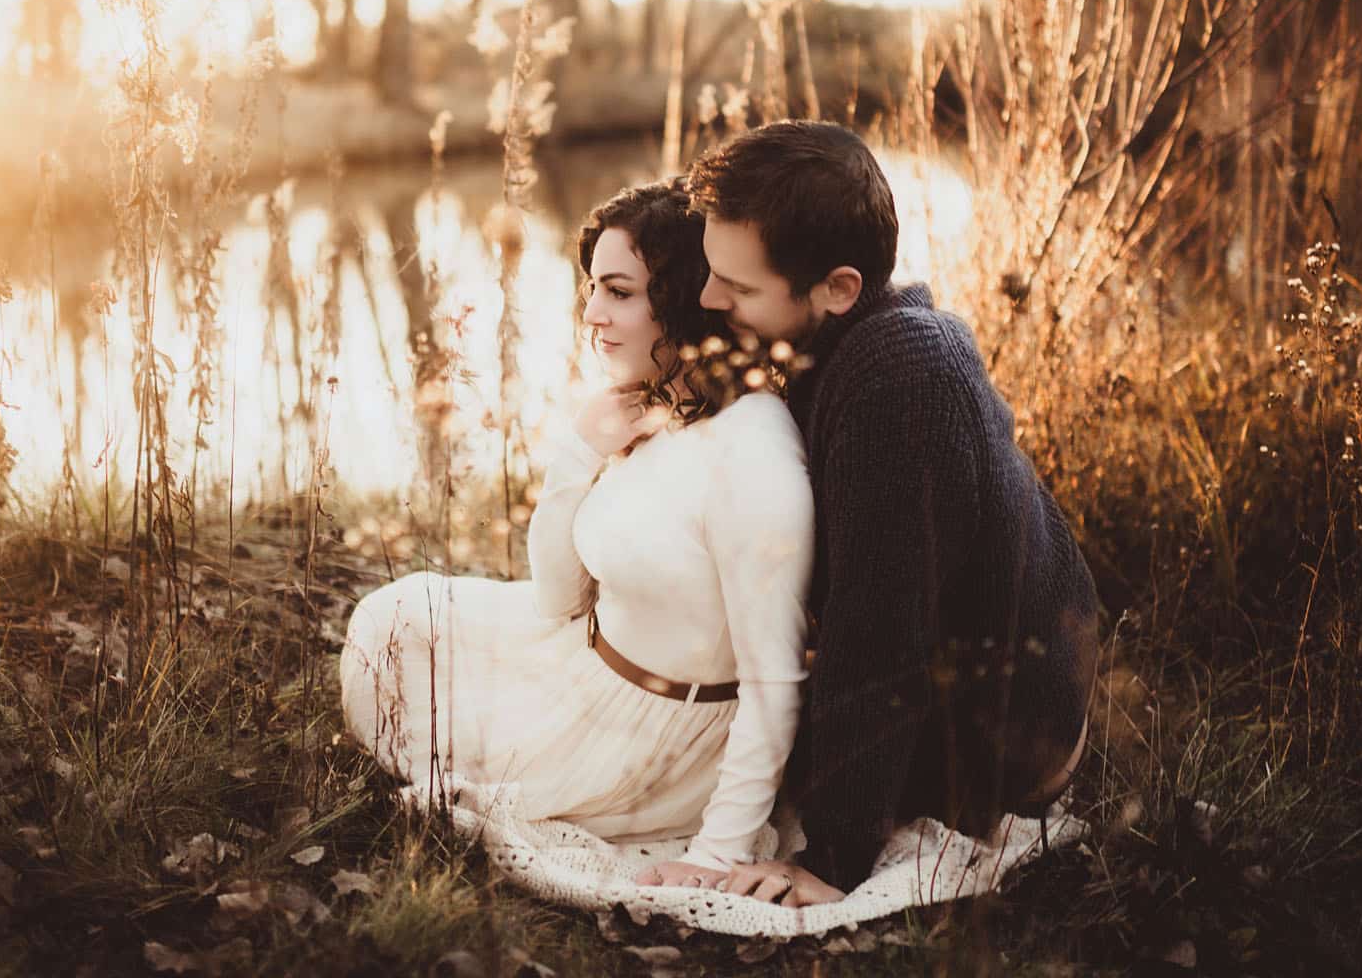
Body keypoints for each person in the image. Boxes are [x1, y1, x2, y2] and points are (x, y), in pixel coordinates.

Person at [665, 120, 1102, 908]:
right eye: (710, 272)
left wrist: (833, 856)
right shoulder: (859, 345)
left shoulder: (900, 383)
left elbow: (882, 627)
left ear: (837, 288)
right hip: (994, 678)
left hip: (1010, 740)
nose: (708, 297)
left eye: (738, 287)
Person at [339, 179, 815, 885]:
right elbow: (559, 597)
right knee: (393, 621)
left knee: (410, 693)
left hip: (656, 743)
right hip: (578, 657)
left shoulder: (752, 452)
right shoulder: (655, 408)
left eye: (619, 292)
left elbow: (775, 683)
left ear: (682, 297)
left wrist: (717, 854)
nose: (591, 312)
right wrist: (580, 449)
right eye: (592, 288)